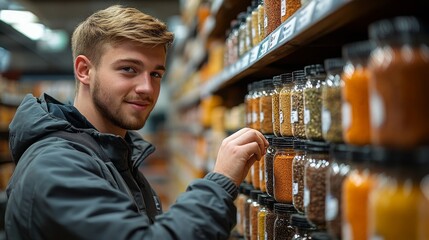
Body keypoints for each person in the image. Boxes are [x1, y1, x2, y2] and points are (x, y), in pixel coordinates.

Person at [4, 4, 268, 240]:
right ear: (84, 70)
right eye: (128, 69)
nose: (147, 87)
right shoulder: (55, 166)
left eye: (155, 74)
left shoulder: (114, 152)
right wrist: (219, 181)